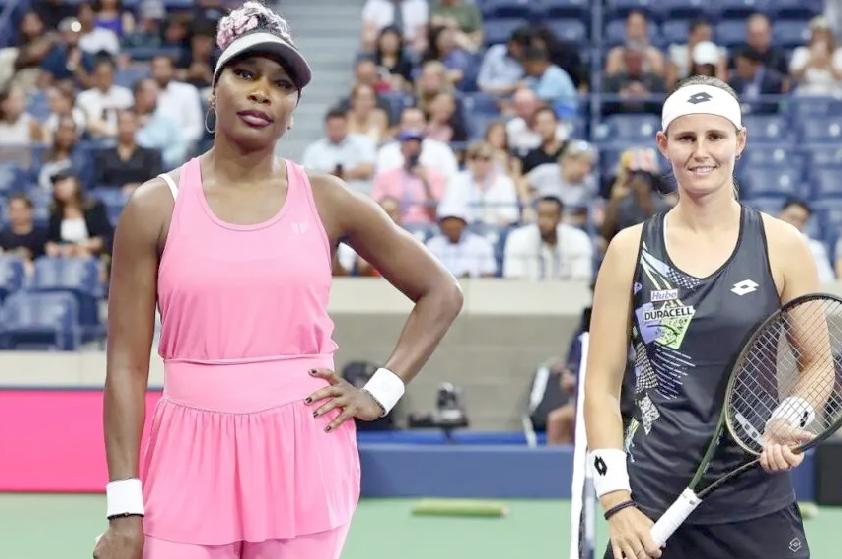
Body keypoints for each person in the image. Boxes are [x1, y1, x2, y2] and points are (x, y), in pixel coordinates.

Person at [93, 4, 463, 559]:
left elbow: (441, 292)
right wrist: (124, 507)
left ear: (294, 110)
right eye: (246, 74)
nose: (263, 92)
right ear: (213, 91)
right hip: (185, 457)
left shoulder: (327, 197)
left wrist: (380, 393)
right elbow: (125, 364)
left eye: (282, 83)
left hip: (304, 453)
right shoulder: (154, 206)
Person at [583, 76, 819, 559]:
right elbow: (601, 387)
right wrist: (615, 502)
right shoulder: (629, 248)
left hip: (755, 497)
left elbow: (819, 364)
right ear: (664, 145)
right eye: (687, 138)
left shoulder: (783, 245)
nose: (701, 151)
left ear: (740, 142)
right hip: (648, 501)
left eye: (716, 136)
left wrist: (789, 416)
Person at [503, 196, 593, 281]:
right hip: (528, 295)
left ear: (560, 217)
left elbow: (581, 281)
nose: (543, 221)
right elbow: (513, 279)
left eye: (549, 216)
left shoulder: (579, 239)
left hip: (566, 295)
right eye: (540, 215)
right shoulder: (518, 238)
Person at [777, 197, 835, 283]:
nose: (796, 223)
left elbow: (827, 281)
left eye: (802, 221)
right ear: (779, 215)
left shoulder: (814, 248)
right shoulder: (762, 242)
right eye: (792, 218)